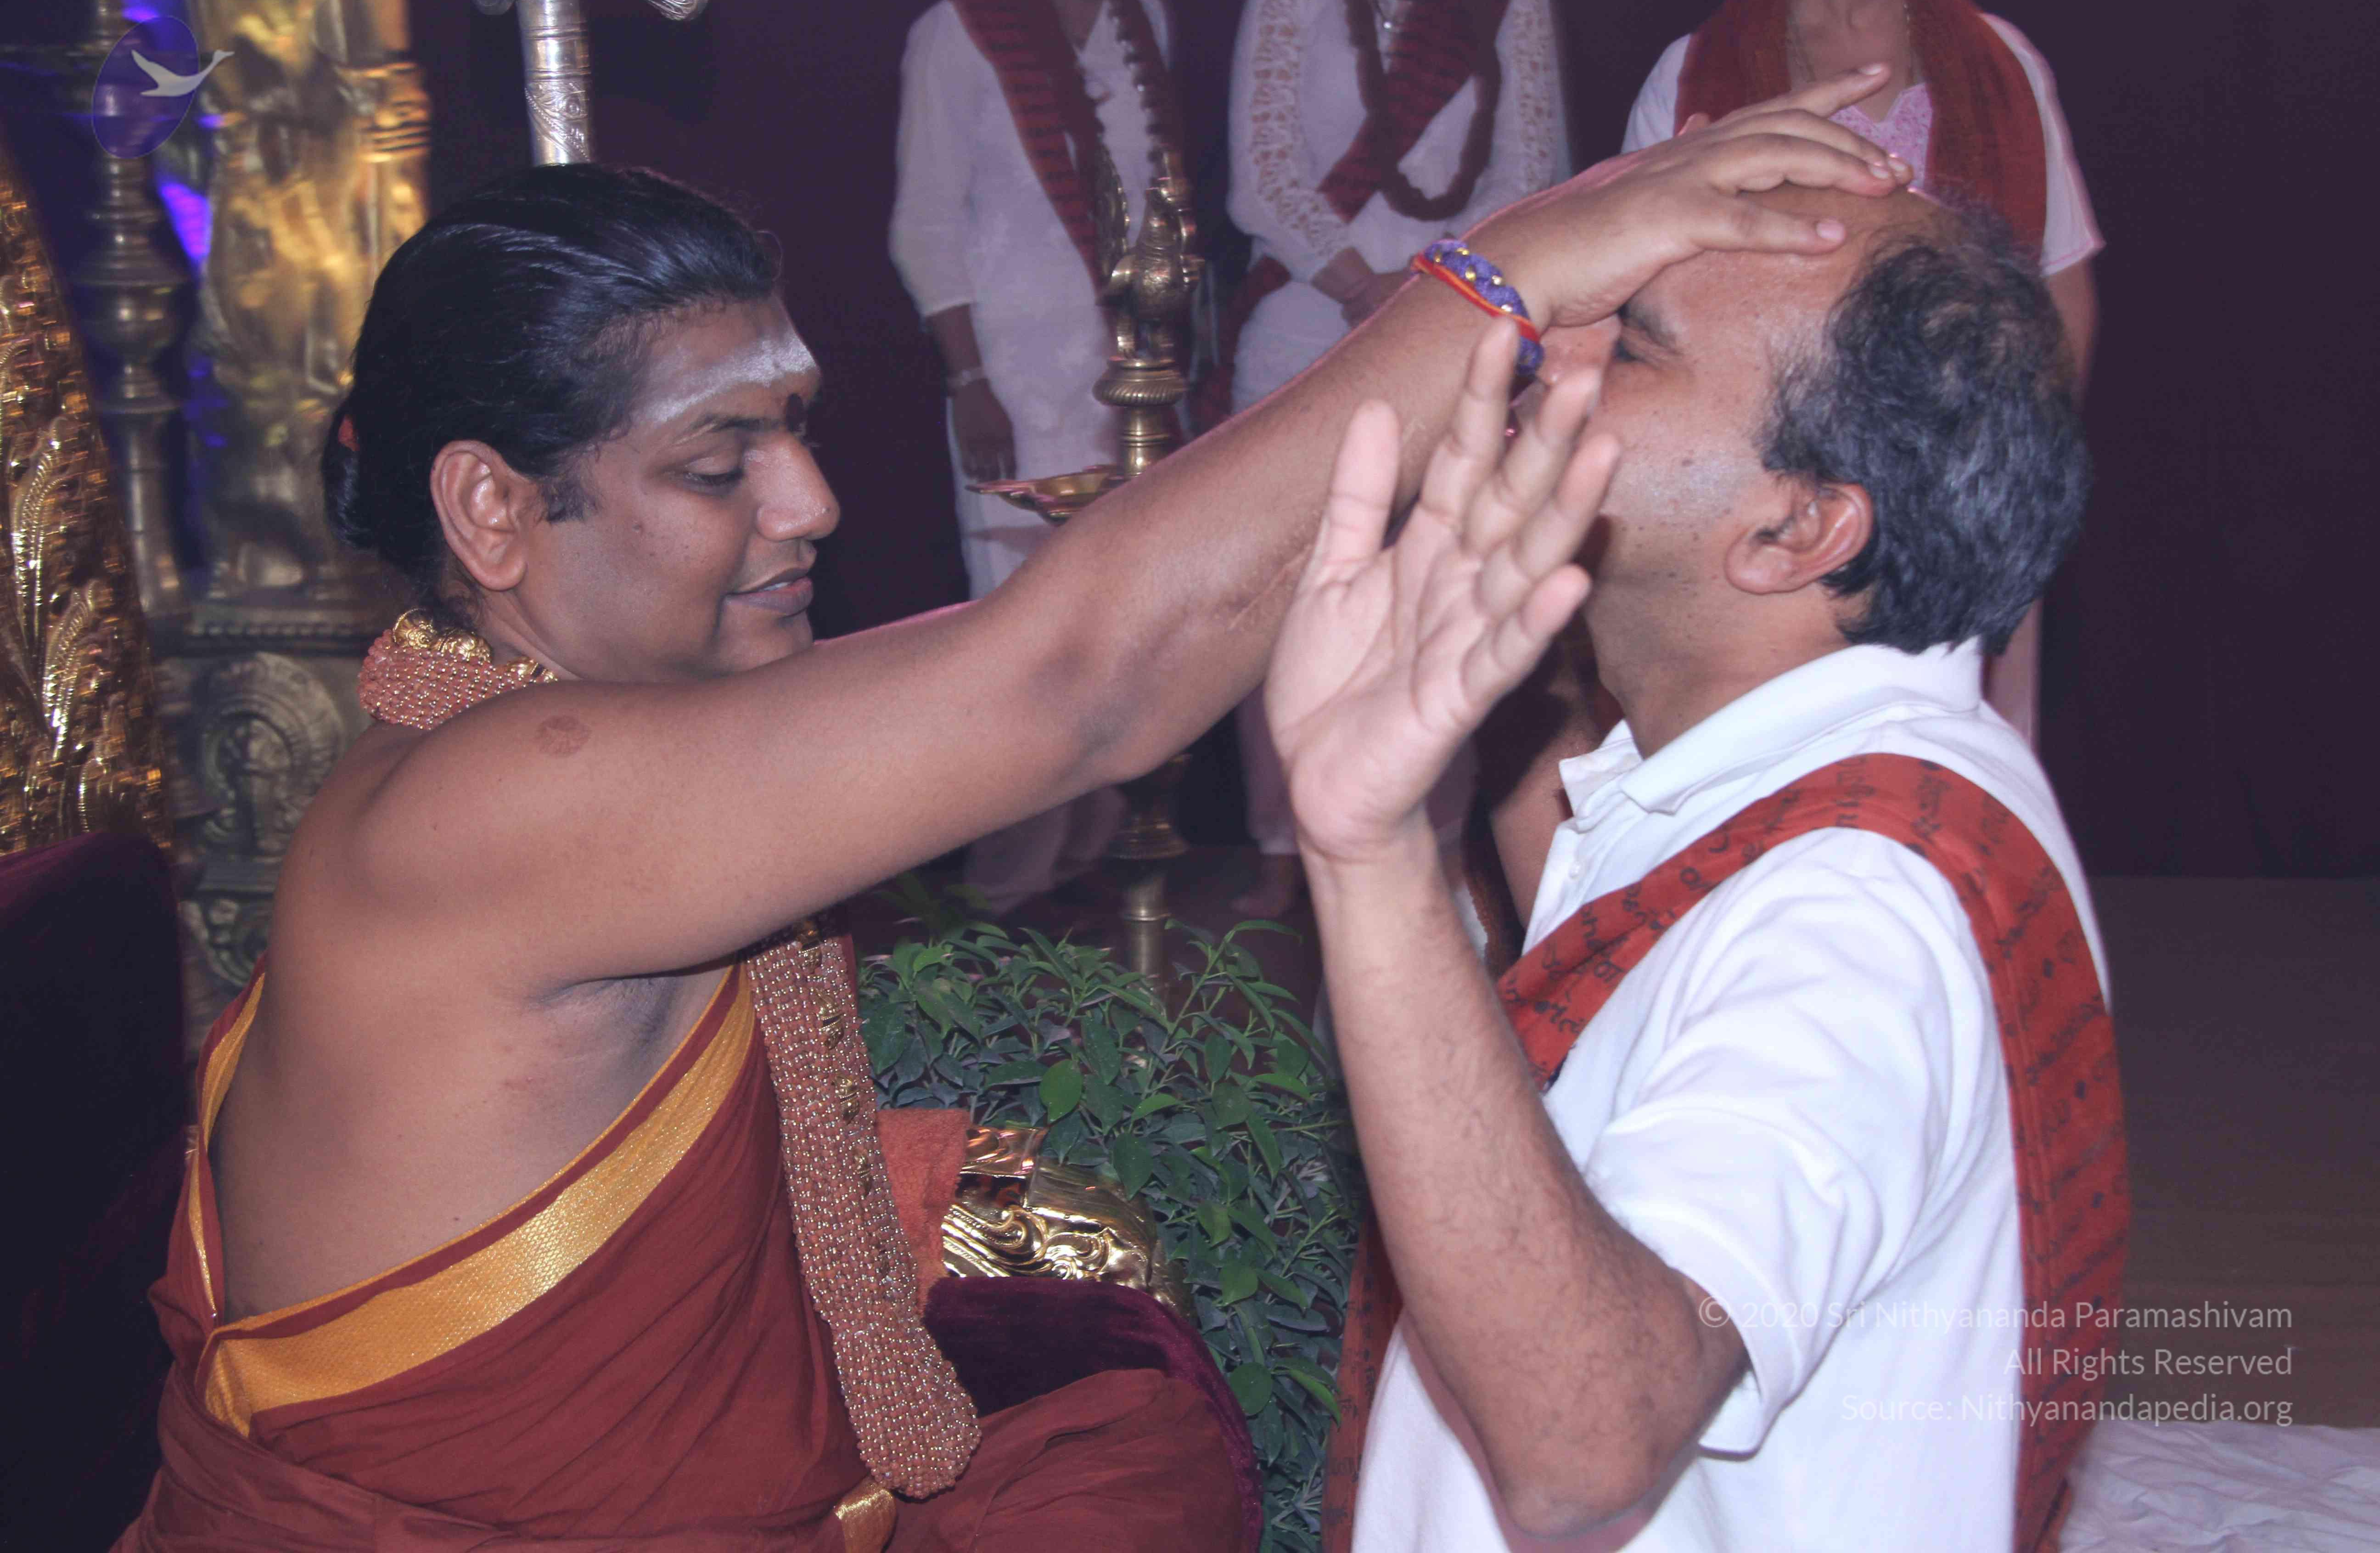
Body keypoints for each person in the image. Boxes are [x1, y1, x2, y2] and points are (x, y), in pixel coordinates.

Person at [115, 82, 1912, 1548]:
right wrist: (1501, 277)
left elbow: (1081, 647)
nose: (812, 501)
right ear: (495, 514)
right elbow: (1078, 683)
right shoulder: (487, 805)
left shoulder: (578, 741)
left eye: (796, 429)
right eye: (720, 463)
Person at [1267, 179, 2126, 1549]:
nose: (1553, 340)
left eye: (1634, 344)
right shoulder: (1821, 769)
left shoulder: (1852, 912)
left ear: (1798, 531)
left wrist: (1369, 849)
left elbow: (1582, 1447)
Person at [1622, 0, 2102, 746]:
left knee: (1950, 760)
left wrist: (2012, 483)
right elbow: (1643, 300)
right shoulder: (1691, 74)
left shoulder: (2002, 63)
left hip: (1957, 509)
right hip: (1776, 511)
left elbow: (2060, 298)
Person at [1217, 0, 1565, 915]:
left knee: (1442, 592)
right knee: (1281, 598)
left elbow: (1530, 179)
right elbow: (1263, 173)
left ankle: (1435, 853)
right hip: (1306, 315)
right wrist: (1366, 289)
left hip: (1454, 324)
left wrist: (1435, 299)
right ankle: (1283, 847)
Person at [890, 0, 1180, 915]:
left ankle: (1089, 862)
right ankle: (1007, 890)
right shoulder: (958, 31)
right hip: (1010, 383)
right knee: (1020, 638)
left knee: (1118, 625)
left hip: (1126, 379)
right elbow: (925, 224)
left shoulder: (1143, 18)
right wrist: (968, 380)